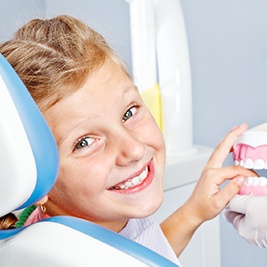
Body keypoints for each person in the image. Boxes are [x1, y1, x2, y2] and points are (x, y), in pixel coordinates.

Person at [0, 15, 255, 265]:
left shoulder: (90, 226)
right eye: (85, 142)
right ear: (35, 180)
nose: (133, 149)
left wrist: (193, 212)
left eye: (129, 112)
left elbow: (137, 253)